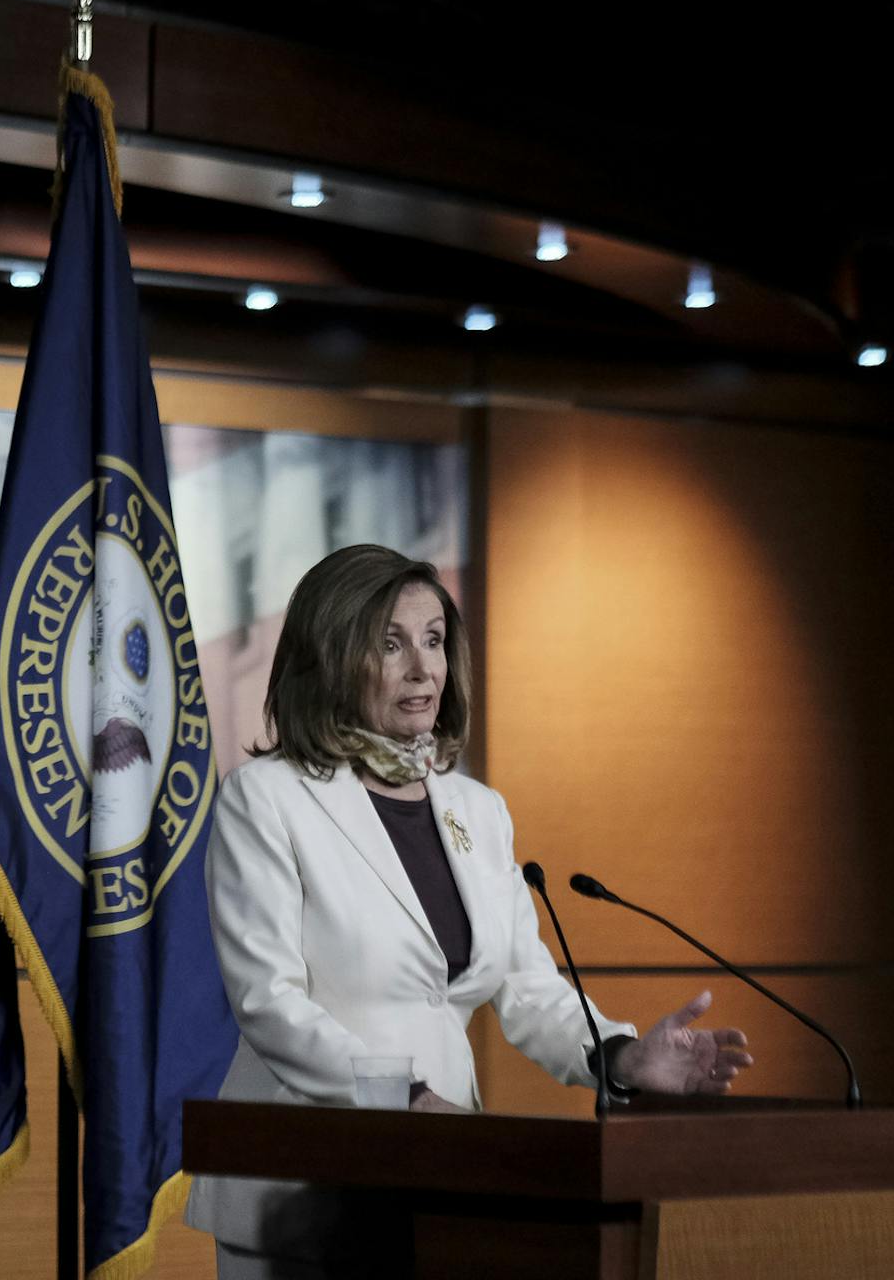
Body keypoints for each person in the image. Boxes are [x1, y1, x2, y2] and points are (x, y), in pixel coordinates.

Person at [184, 544, 753, 1279]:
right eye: (390, 644)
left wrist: (620, 1054)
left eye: (433, 640)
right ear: (329, 654)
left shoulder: (476, 810)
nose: (424, 669)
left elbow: (529, 987)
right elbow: (269, 1004)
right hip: (307, 1187)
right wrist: (406, 1099)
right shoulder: (265, 799)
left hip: (443, 1179)